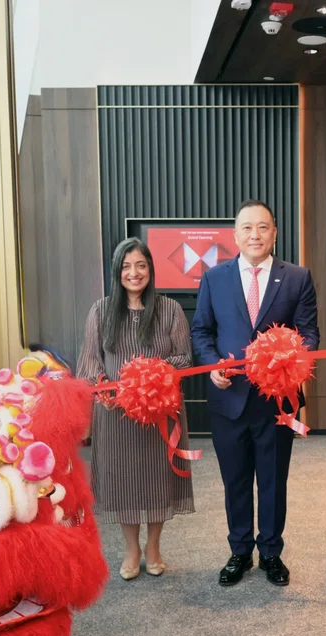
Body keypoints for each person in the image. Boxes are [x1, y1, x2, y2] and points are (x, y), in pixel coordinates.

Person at [191, 199, 319, 587]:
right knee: (235, 479)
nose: (255, 235)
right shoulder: (215, 278)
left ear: (274, 233)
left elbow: (310, 335)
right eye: (247, 228)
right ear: (235, 235)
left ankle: (271, 553)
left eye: (263, 227)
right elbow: (201, 331)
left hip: (277, 401)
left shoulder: (297, 277)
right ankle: (239, 551)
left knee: (273, 480)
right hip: (228, 399)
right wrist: (213, 366)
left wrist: (290, 365)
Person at [77, 237, 195, 581]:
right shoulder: (100, 310)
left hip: (160, 411)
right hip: (115, 415)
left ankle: (154, 546)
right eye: (126, 266)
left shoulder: (170, 309)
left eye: (140, 265)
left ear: (150, 270)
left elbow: (184, 358)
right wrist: (103, 388)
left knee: (158, 478)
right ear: (117, 271)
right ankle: (132, 549)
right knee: (122, 480)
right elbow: (89, 363)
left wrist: (154, 377)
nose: (134, 272)